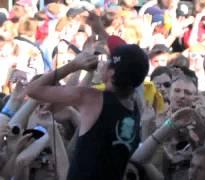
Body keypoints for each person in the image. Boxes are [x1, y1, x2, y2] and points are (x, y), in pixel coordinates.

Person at [27, 41, 149, 179]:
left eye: (109, 60)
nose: (104, 63)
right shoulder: (136, 109)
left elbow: (32, 90)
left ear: (112, 72)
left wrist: (73, 65)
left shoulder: (93, 98)